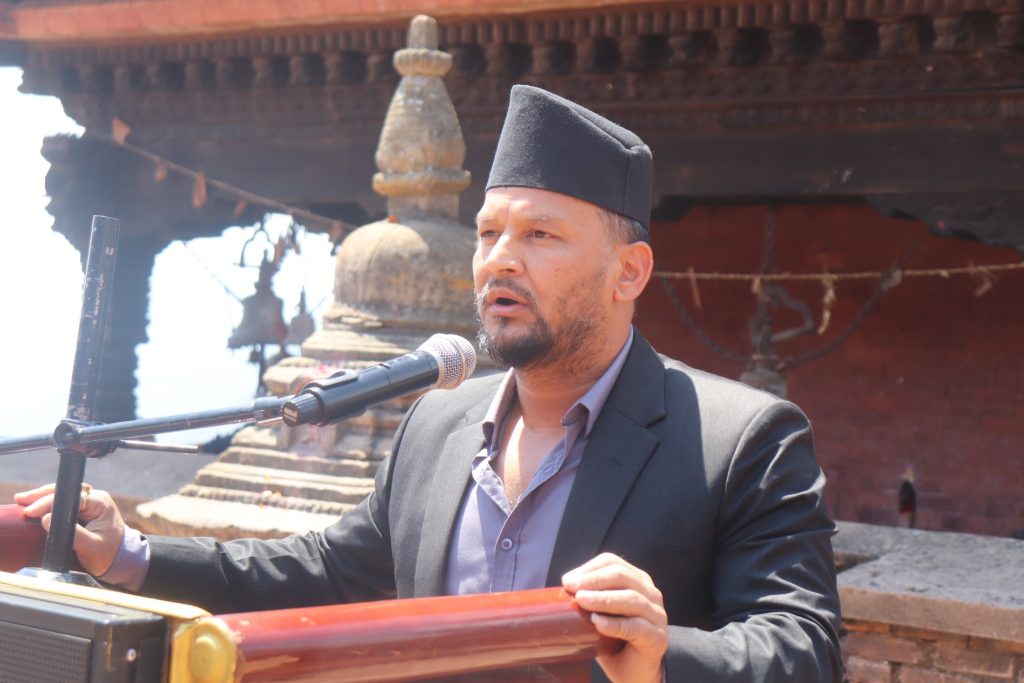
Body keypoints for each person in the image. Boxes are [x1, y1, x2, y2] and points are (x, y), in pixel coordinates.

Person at [16, 85, 843, 682]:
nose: (500, 260)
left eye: (541, 234)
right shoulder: (439, 425)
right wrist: (127, 553)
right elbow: (322, 571)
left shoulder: (740, 439)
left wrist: (664, 656)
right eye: (488, 232)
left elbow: (804, 647)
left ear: (630, 271)